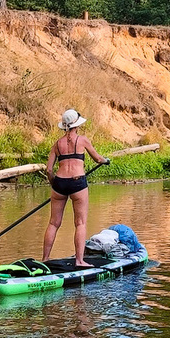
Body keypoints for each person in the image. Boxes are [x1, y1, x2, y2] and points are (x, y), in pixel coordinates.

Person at [44, 109, 110, 268]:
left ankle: (45, 259)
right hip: (77, 183)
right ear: (76, 125)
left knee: (53, 223)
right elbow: (98, 158)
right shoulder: (82, 140)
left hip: (59, 183)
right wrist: (106, 161)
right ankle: (80, 261)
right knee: (80, 223)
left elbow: (49, 170)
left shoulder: (57, 144)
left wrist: (54, 184)